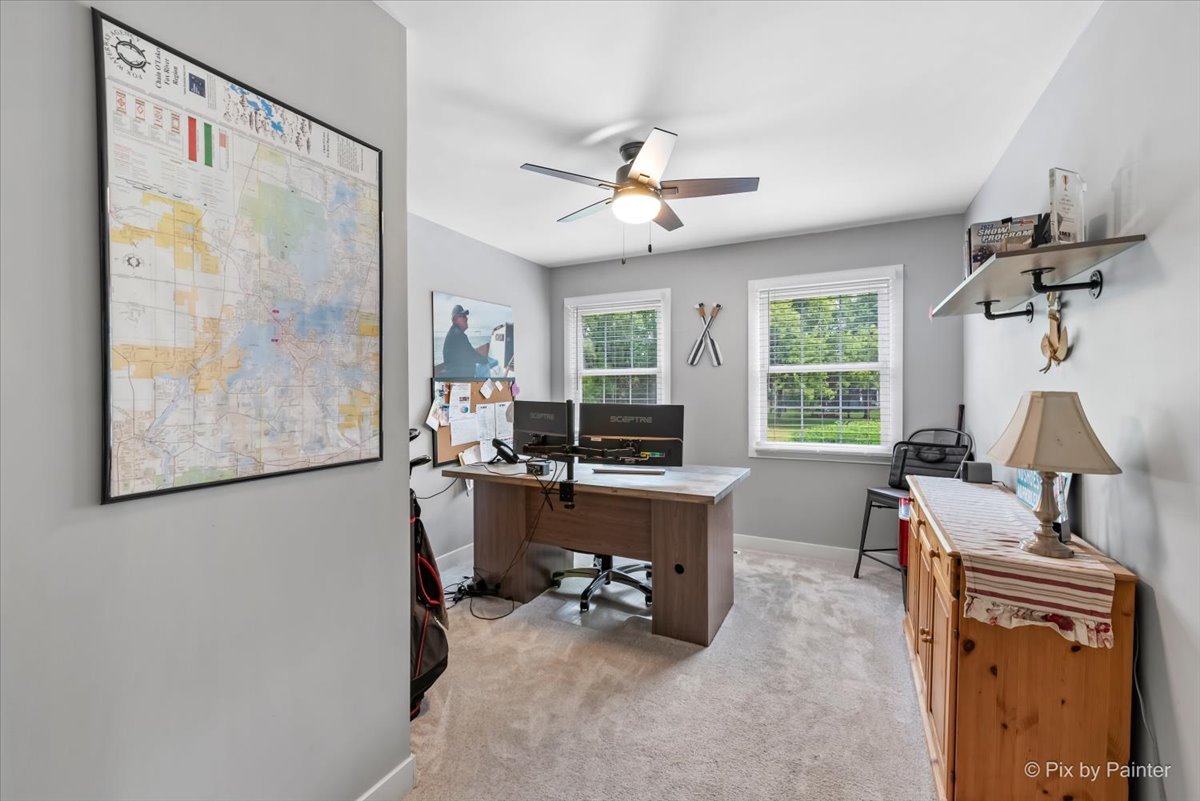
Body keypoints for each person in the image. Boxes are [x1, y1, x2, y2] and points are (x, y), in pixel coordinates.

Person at [441, 304, 494, 378]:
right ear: (455, 319)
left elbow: (469, 353)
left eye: (466, 316)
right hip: (460, 381)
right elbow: (472, 355)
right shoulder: (458, 335)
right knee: (488, 367)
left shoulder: (455, 333)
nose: (466, 318)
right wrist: (486, 360)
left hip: (458, 376)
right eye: (463, 316)